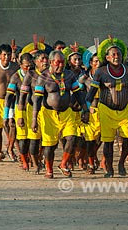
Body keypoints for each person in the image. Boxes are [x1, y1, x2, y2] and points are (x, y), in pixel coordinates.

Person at [85, 38, 128, 178]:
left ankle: (121, 163)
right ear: (107, 57)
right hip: (106, 110)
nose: (116, 57)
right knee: (108, 142)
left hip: (123, 111)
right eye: (113, 54)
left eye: (118, 54)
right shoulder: (100, 72)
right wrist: (87, 109)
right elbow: (91, 94)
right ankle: (109, 168)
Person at [31, 50, 88, 179]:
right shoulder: (43, 78)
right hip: (49, 114)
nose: (60, 65)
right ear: (51, 62)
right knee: (50, 145)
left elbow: (78, 93)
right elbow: (37, 99)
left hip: (67, 113)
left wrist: (85, 109)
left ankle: (63, 164)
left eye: (62, 62)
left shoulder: (69, 75)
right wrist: (34, 119)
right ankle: (49, 169)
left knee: (72, 138)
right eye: (58, 62)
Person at [17, 50, 49, 174]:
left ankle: (45, 161)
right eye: (42, 59)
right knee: (34, 140)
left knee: (49, 142)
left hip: (48, 111)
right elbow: (22, 97)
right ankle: (35, 163)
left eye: (47, 58)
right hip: (32, 110)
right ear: (35, 62)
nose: (45, 61)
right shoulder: (30, 75)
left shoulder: (52, 74)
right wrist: (20, 116)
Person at [4, 53, 33, 169]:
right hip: (20, 109)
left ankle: (33, 158)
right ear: (20, 65)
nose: (28, 69)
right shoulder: (15, 77)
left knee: (35, 137)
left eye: (30, 66)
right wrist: (6, 115)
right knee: (22, 138)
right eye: (26, 67)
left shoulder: (35, 75)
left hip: (34, 109)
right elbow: (9, 97)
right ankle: (24, 159)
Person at [78, 52, 102, 174]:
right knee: (90, 140)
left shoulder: (107, 76)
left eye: (100, 61)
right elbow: (78, 93)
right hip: (90, 110)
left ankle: (94, 155)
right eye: (96, 61)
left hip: (104, 110)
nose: (98, 63)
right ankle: (91, 164)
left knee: (101, 139)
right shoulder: (85, 78)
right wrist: (84, 110)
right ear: (91, 63)